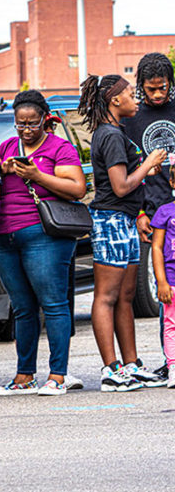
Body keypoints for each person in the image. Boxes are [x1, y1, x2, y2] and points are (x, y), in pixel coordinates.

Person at [0, 90, 86, 396]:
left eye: (33, 123)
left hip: (45, 236)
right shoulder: (7, 147)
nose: (27, 130)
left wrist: (37, 175)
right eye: (21, 124)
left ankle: (57, 375)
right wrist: (1, 171)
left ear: (45, 120)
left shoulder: (60, 148)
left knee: (54, 304)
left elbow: (76, 188)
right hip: (6, 237)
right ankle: (24, 375)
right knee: (22, 308)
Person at [80, 74, 167, 390]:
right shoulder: (111, 135)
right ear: (115, 100)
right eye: (132, 94)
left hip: (126, 220)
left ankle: (131, 364)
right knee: (107, 296)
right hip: (111, 220)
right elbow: (119, 186)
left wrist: (144, 168)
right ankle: (111, 369)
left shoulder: (116, 133)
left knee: (127, 296)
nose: (136, 99)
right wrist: (149, 162)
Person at [124, 52, 175, 380]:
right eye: (151, 89)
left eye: (163, 88)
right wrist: (141, 211)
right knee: (166, 289)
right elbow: (130, 168)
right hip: (155, 209)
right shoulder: (132, 117)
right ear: (141, 88)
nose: (158, 95)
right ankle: (170, 358)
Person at [150, 168, 175, 388]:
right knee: (170, 325)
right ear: (172, 183)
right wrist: (162, 282)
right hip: (172, 282)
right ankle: (173, 367)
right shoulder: (164, 212)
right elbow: (156, 248)